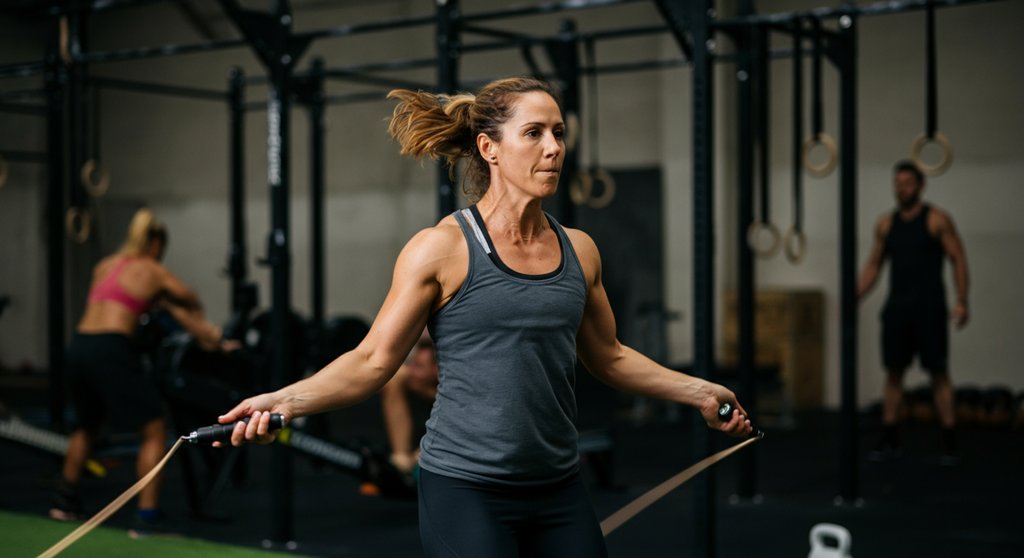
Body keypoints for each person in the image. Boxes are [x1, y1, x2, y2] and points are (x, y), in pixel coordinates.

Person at [218, 76, 753, 557]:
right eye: (535, 133)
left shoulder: (580, 250)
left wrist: (700, 391)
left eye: (560, 133)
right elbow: (372, 362)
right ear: (488, 148)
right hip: (465, 488)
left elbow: (609, 356)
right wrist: (281, 400)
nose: (554, 149)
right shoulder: (440, 250)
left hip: (557, 484)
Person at [50, 207, 234, 537]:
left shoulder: (104, 265)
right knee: (153, 429)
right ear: (155, 244)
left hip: (78, 347)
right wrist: (211, 335)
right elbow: (189, 299)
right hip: (111, 349)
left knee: (85, 426)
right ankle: (146, 519)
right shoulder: (152, 269)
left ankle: (65, 503)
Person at [858, 160, 969, 463]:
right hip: (897, 310)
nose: (901, 188)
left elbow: (958, 258)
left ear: (920, 186)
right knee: (893, 374)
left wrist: (962, 300)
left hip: (930, 310)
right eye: (897, 183)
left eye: (907, 183)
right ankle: (890, 437)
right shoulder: (886, 224)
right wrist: (854, 296)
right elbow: (873, 264)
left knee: (938, 373)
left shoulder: (937, 220)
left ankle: (949, 440)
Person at [379, 334, 438, 478]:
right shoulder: (406, 386)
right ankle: (401, 458)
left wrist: (416, 457)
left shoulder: (456, 397)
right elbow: (399, 375)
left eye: (418, 367)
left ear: (437, 370)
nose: (410, 371)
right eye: (411, 364)